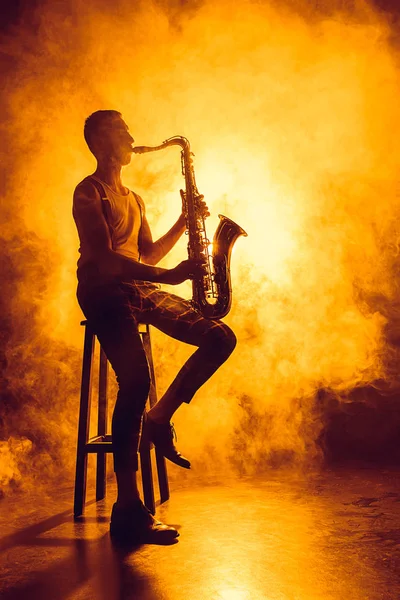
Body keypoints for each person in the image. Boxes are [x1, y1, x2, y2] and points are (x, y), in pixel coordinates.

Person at [72, 110, 237, 544]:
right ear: (101, 142)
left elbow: (146, 255)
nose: (131, 136)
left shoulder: (135, 197)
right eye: (121, 131)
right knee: (137, 379)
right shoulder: (88, 192)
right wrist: (168, 278)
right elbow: (105, 259)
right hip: (102, 291)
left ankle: (159, 419)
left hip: (134, 289)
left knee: (221, 336)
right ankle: (127, 507)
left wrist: (185, 221)